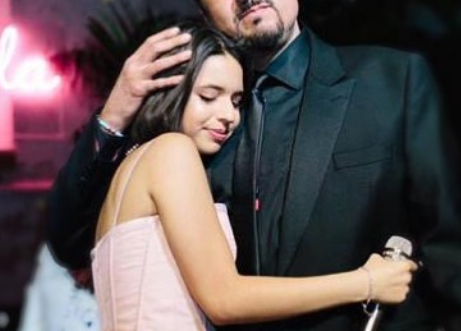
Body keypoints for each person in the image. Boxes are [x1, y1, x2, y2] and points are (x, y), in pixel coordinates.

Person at [48, 0, 461, 331]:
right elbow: (74, 242)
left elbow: (457, 253)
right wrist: (116, 111)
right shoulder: (200, 128)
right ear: (207, 15)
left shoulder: (391, 82)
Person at [90, 24, 416, 330]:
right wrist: (366, 282)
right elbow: (225, 299)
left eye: (236, 101)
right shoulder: (171, 151)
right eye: (208, 96)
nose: (228, 116)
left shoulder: (131, 167)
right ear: (171, 90)